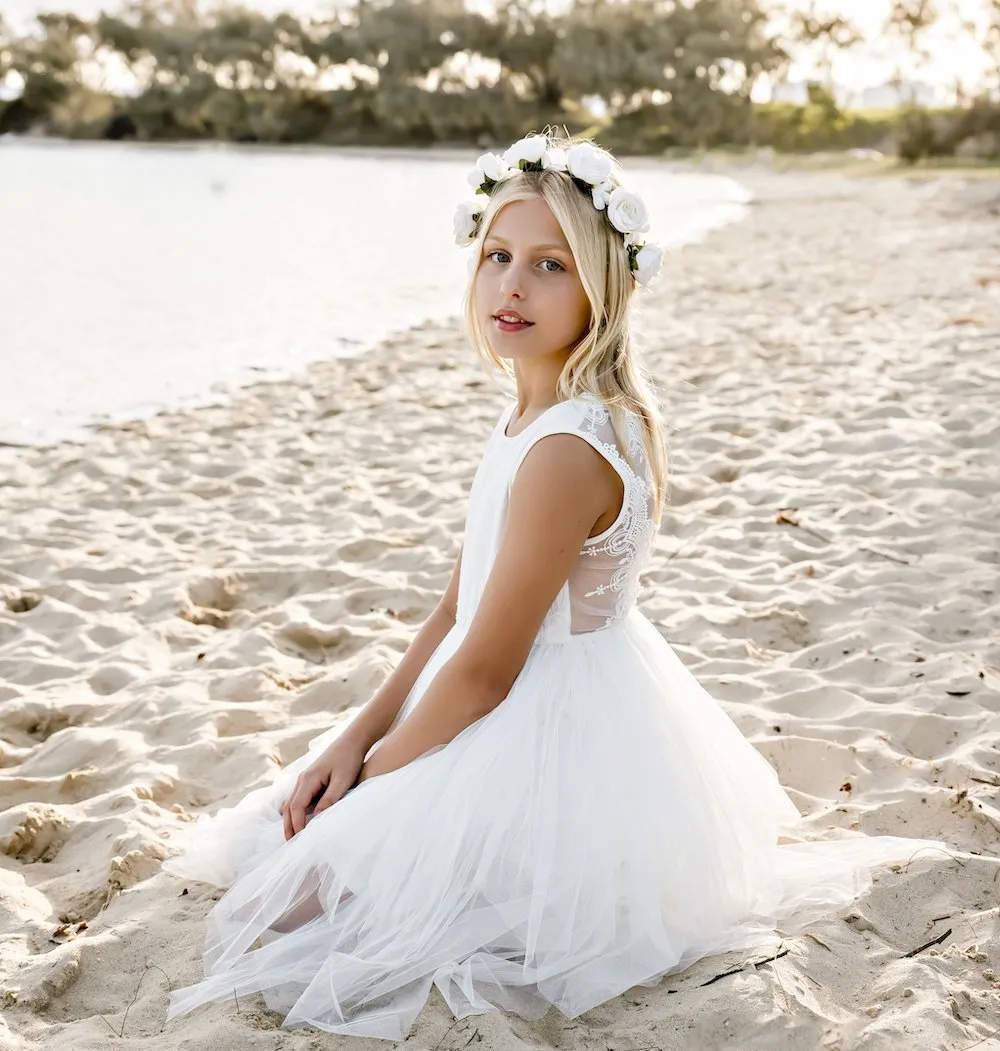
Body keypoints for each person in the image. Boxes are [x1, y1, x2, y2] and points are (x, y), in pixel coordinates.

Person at [163, 131, 948, 1040]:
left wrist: (375, 790)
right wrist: (356, 737)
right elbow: (458, 608)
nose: (512, 286)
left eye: (551, 266)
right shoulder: (530, 418)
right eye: (499, 256)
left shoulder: (567, 451)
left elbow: (490, 669)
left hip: (549, 727)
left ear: (602, 290)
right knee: (287, 836)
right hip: (495, 693)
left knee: (295, 901)